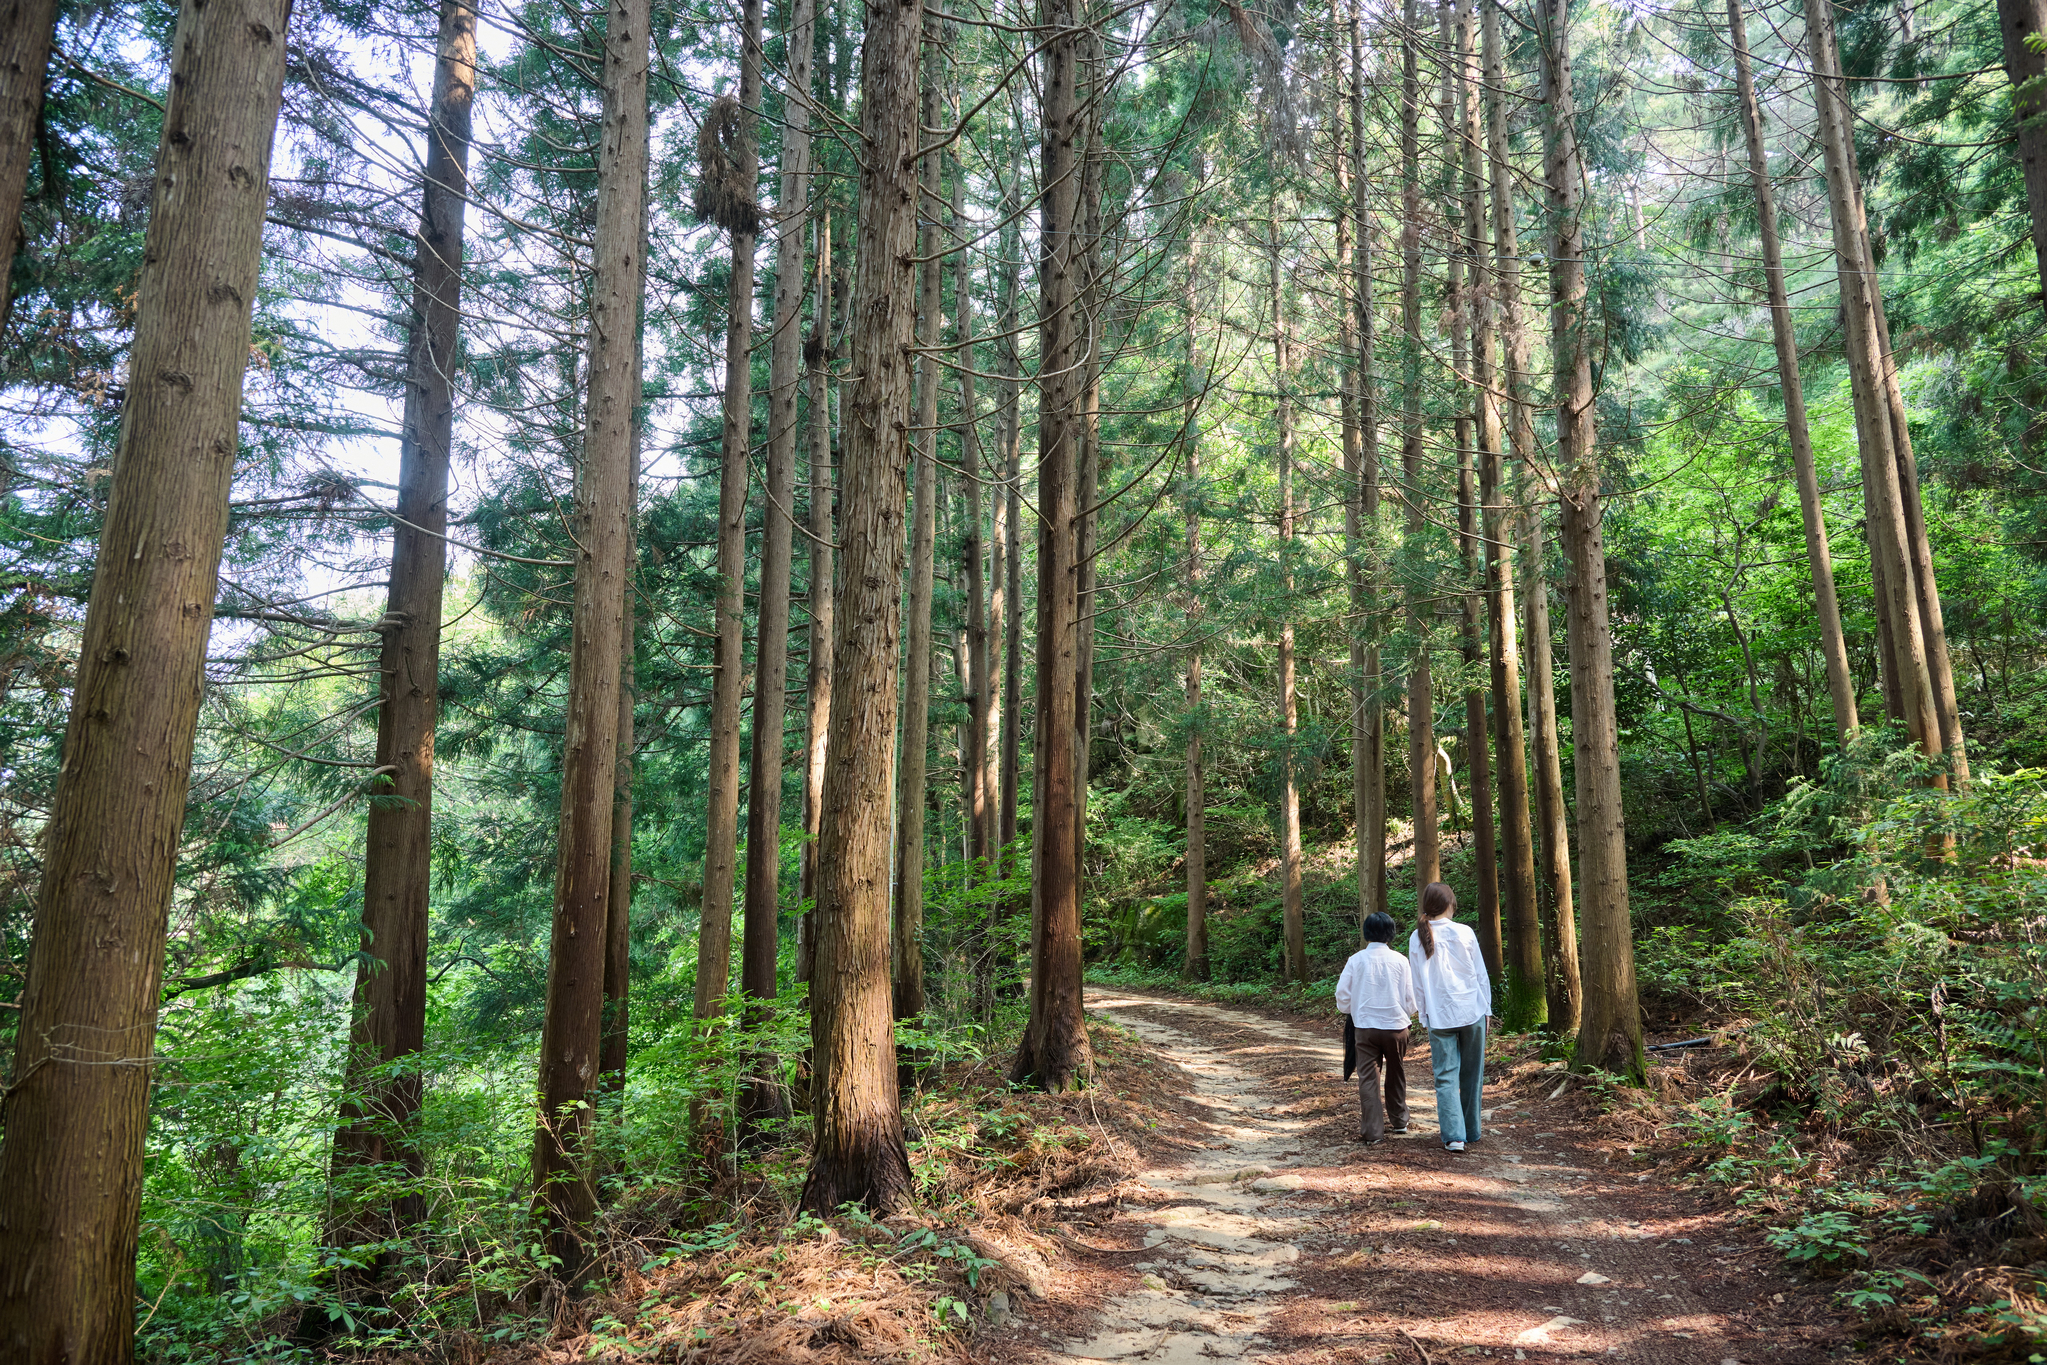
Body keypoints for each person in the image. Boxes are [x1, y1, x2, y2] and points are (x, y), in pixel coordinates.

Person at [1409, 881, 1491, 1153]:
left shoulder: (1416, 936)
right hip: (1471, 1010)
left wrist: (1423, 1014)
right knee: (1472, 1074)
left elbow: (1417, 982)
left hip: (1439, 1015)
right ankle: (1472, 1130)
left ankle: (1454, 1136)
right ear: (1449, 905)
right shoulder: (1464, 932)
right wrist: (1487, 1008)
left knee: (1445, 1076)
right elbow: (1480, 974)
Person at [1334, 911, 1416, 1145]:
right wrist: (1405, 1012)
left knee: (1368, 1078)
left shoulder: (1356, 960)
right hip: (1397, 1028)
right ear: (1391, 933)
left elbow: (1342, 995)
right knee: (1396, 1072)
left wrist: (1353, 1009)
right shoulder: (1401, 960)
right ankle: (1400, 1121)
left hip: (1365, 1028)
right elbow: (1411, 999)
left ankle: (1373, 1133)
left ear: (1366, 933)